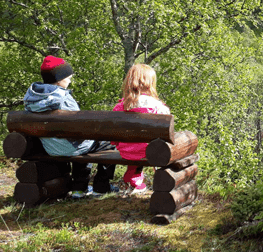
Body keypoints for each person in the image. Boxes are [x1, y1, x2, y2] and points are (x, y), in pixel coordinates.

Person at [23, 55, 118, 198]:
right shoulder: (63, 98)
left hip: (50, 147)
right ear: (60, 78)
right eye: (68, 77)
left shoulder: (31, 99)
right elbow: (79, 127)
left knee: (83, 144)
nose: (70, 79)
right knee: (107, 143)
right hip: (71, 146)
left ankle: (79, 191)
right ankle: (101, 187)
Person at [112, 64, 170, 195]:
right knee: (147, 146)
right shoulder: (157, 106)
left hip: (125, 151)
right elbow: (166, 129)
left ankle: (133, 180)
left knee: (135, 147)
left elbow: (113, 133)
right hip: (148, 151)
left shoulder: (121, 106)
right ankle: (145, 182)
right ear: (150, 83)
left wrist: (118, 144)